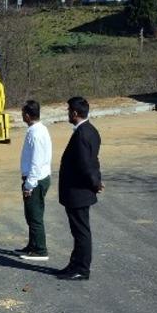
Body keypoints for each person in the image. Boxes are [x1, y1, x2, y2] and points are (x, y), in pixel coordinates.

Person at [56, 96, 102, 281]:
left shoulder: (82, 134)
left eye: (68, 111)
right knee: (78, 232)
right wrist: (96, 181)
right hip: (80, 192)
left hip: (78, 192)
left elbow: (86, 165)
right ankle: (74, 265)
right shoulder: (90, 130)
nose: (67, 114)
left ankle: (82, 269)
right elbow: (94, 161)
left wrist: (95, 183)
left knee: (81, 232)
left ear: (75, 113)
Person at [15, 100, 52, 261]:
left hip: (35, 180)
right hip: (38, 178)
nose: (22, 116)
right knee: (30, 214)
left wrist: (29, 185)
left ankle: (41, 250)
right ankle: (32, 245)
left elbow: (36, 162)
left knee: (35, 216)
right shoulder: (39, 129)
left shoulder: (36, 134)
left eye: (23, 114)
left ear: (28, 115)